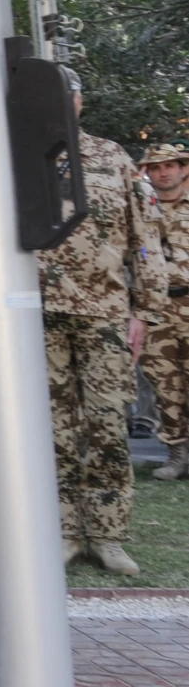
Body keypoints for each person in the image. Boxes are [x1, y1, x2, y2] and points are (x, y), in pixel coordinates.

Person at [35, 76, 168, 573]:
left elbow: (146, 237)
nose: (62, 104)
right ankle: (66, 531)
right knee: (54, 429)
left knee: (108, 426)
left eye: (68, 94)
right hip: (39, 314)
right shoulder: (20, 159)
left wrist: (145, 309)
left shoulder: (114, 158)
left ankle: (108, 535)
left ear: (79, 101)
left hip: (106, 316)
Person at [141, 144, 189, 480]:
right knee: (164, 385)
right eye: (156, 167)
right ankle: (177, 455)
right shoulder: (140, 209)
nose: (164, 172)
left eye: (170, 165)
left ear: (183, 168)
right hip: (156, 309)